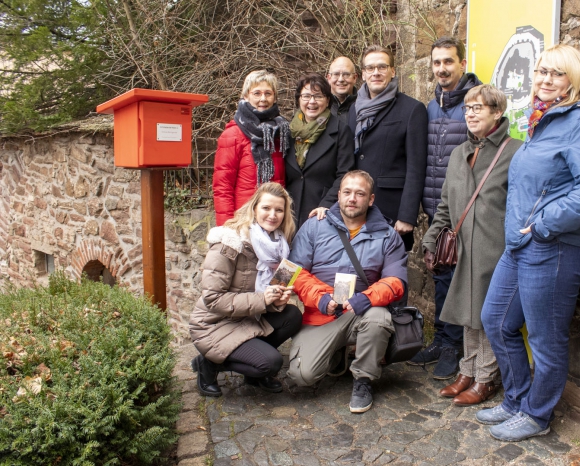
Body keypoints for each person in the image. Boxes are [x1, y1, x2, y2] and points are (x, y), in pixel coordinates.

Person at [477, 44, 580, 442]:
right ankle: (517, 399)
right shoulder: (542, 120)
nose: (545, 79)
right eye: (541, 71)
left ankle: (537, 415)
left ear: (573, 80)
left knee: (545, 337)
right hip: (522, 244)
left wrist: (542, 225)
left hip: (556, 245)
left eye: (556, 74)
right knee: (497, 321)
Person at [423, 84, 522, 406]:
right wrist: (431, 238)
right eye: (467, 108)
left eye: (479, 108)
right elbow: (446, 206)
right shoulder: (458, 153)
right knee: (467, 312)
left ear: (498, 112)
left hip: (496, 252)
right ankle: (468, 369)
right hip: (462, 251)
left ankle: (485, 378)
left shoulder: (515, 152)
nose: (471, 113)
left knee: (488, 317)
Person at [286, 170, 407, 413]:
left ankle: (364, 379)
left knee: (378, 317)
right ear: (339, 195)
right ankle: (337, 352)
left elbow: (396, 281)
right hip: (320, 317)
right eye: (348, 192)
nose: (353, 198)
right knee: (303, 376)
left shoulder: (387, 235)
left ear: (370, 199)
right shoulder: (313, 227)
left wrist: (367, 298)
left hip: (360, 312)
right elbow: (290, 272)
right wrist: (319, 296)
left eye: (360, 194)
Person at [409, 36, 483, 380]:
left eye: (448, 62)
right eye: (437, 63)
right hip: (436, 208)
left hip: (464, 210)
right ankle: (440, 338)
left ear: (462, 64)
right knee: (440, 275)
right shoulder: (431, 106)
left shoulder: (475, 102)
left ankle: (453, 346)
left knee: (456, 280)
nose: (442, 68)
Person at [189, 182, 303, 397]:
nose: (273, 215)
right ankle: (208, 365)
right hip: (215, 324)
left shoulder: (280, 246)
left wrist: (276, 302)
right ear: (254, 208)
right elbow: (213, 299)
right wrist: (262, 299)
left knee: (292, 315)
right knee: (271, 363)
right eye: (266, 208)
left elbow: (269, 294)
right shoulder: (230, 243)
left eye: (279, 210)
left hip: (247, 318)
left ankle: (252, 372)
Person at [348, 45, 428, 251]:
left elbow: (416, 167)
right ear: (363, 73)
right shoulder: (353, 109)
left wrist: (407, 215)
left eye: (382, 67)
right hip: (355, 208)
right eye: (370, 68)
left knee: (390, 276)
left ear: (393, 71)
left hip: (391, 210)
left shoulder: (412, 110)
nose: (376, 72)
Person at [213, 70, 292, 226]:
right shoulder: (233, 134)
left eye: (268, 93)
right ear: (246, 96)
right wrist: (226, 228)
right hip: (244, 221)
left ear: (275, 97)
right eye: (257, 93)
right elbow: (223, 187)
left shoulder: (281, 132)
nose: (263, 99)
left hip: (273, 220)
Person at [286, 73, 354, 226]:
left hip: (322, 212)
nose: (312, 101)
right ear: (298, 99)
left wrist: (326, 204)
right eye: (306, 96)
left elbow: (345, 174)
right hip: (288, 213)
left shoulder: (340, 131)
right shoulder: (288, 131)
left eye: (318, 96)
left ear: (328, 100)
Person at [327, 57, 358, 126]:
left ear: (354, 78)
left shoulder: (363, 106)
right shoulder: (319, 106)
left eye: (346, 74)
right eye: (336, 74)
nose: (341, 79)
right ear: (329, 78)